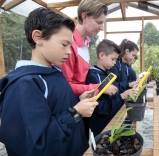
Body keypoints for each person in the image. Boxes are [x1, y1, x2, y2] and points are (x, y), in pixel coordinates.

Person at [0, 8, 98, 156]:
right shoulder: (24, 85)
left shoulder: (54, 73)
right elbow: (35, 145)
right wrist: (76, 113)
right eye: (64, 44)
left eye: (70, 46)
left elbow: (55, 109)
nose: (70, 52)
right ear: (38, 37)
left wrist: (78, 101)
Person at [61, 0, 117, 96]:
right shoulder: (69, 44)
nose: (102, 28)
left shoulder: (86, 43)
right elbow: (64, 86)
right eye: (99, 22)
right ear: (84, 16)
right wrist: (98, 87)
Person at [86, 39, 136, 135]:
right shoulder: (93, 76)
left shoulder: (108, 74)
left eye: (116, 60)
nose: (114, 63)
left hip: (111, 121)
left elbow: (114, 93)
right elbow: (100, 108)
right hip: (101, 127)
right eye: (113, 59)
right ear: (101, 55)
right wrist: (122, 96)